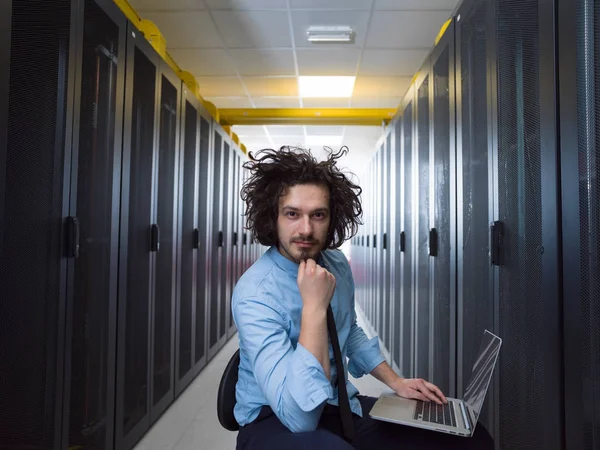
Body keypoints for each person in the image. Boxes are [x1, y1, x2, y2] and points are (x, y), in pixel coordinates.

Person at [232, 147, 492, 449]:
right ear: (272, 217)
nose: (305, 229)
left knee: (471, 439)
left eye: (318, 215)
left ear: (332, 219)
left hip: (337, 406)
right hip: (274, 419)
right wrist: (314, 309)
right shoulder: (255, 293)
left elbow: (349, 331)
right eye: (292, 214)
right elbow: (298, 418)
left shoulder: (336, 264)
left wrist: (397, 382)